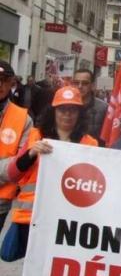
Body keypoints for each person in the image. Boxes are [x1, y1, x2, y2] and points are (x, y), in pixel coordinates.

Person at [5, 86, 98, 259]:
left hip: (68, 221)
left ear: (80, 114)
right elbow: (12, 173)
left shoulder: (90, 144)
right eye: (62, 109)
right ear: (54, 111)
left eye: (73, 110)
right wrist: (31, 153)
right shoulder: (36, 136)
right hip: (32, 219)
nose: (67, 115)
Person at [0, 61, 33, 230]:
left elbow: (19, 162)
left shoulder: (24, 119)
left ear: (12, 83)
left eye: (4, 80)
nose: (0, 84)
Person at [72, 69, 108, 143]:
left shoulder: (104, 108)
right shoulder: (66, 106)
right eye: (76, 83)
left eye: (85, 83)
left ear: (92, 85)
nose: (80, 86)